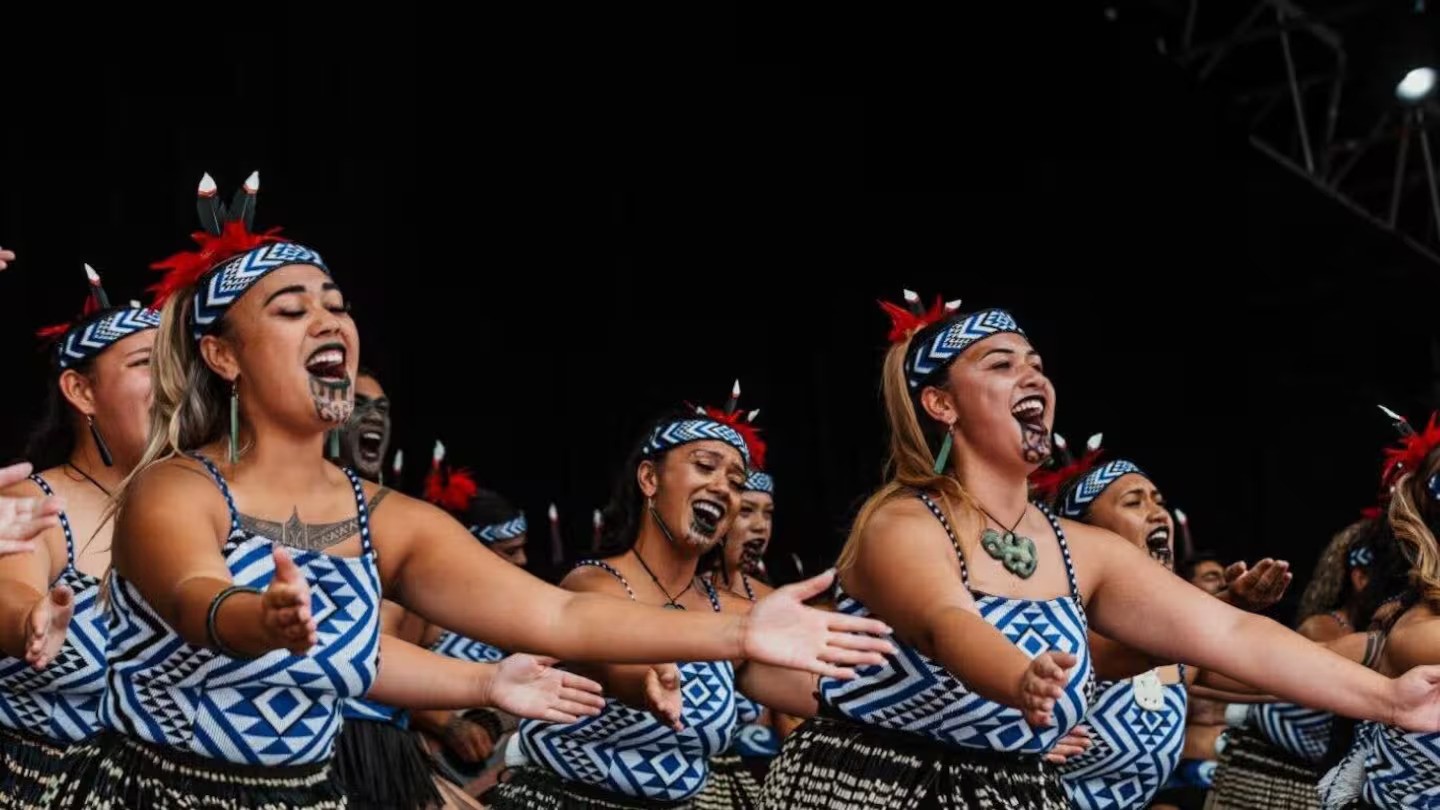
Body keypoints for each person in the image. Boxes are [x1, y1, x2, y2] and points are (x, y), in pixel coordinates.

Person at [47, 173, 891, 809]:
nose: (331, 322)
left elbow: (558, 616)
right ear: (223, 356)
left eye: (337, 306)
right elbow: (196, 594)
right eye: (291, 311)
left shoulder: (388, 522)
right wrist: (255, 617)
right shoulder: (176, 489)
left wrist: (740, 631)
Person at [760, 290, 1440, 810]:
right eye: (1001, 364)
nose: (1032, 376)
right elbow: (945, 621)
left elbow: (1232, 635)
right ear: (941, 404)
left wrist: (1389, 699)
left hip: (1015, 791)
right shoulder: (899, 522)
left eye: (1037, 365)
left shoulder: (1082, 551)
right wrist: (1019, 679)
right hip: (876, 786)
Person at [492, 393, 869, 809]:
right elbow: (620, 664)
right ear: (649, 479)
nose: (722, 487)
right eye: (705, 466)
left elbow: (831, 698)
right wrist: (647, 683)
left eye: (736, 483)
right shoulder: (595, 585)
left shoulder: (734, 614)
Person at [0, 265, 158, 807]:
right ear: (81, 391)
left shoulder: (207, 503)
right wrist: (29, 619)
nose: (174, 385)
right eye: (146, 364)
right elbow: (11, 591)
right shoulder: (30, 502)